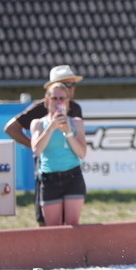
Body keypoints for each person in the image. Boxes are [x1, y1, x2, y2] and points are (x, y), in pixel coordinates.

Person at [4, 65, 85, 224]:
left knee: (71, 222)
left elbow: (80, 146)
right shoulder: (40, 108)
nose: (71, 89)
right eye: (67, 84)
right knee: (45, 221)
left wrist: (68, 135)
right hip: (46, 170)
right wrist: (38, 146)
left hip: (71, 170)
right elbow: (11, 129)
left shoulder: (75, 108)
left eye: (73, 85)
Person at [30, 81, 88, 225]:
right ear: (47, 100)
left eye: (62, 98)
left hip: (72, 176)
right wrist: (51, 128)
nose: (58, 102)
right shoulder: (38, 123)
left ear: (67, 101)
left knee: (72, 224)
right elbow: (37, 150)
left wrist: (68, 132)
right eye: (55, 98)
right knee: (53, 227)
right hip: (49, 179)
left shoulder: (76, 123)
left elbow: (81, 153)